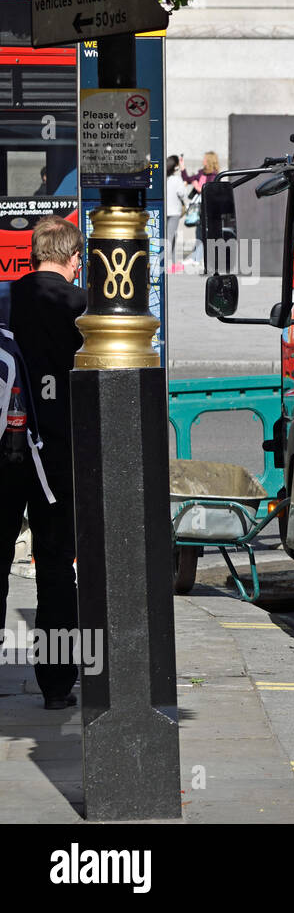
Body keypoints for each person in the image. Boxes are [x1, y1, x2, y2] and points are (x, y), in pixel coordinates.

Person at [0, 216, 85, 710]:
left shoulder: (5, 302)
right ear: (74, 259)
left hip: (4, 452)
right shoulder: (80, 309)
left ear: (33, 255)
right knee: (55, 567)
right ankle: (56, 686)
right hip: (56, 458)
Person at [182, 151, 221, 266]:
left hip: (208, 208)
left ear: (209, 161)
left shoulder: (214, 176)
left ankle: (198, 258)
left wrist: (198, 188)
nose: (203, 161)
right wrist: (182, 166)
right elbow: (187, 179)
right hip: (199, 209)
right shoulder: (201, 173)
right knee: (199, 232)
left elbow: (210, 192)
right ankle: (196, 258)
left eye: (205, 159)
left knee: (205, 233)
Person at [165, 155, 188, 274]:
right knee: (170, 238)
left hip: (165, 211)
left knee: (171, 238)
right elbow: (183, 194)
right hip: (174, 212)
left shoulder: (164, 179)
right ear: (176, 167)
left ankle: (173, 263)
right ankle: (167, 265)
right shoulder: (177, 180)